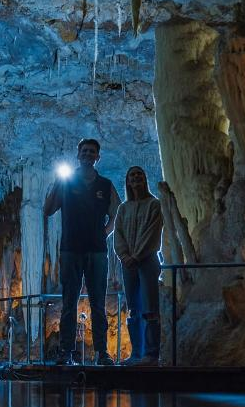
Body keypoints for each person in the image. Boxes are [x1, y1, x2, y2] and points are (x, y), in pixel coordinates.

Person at [43, 138, 120, 366]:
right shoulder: (66, 183)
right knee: (69, 301)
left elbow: (116, 212)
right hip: (71, 249)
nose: (87, 155)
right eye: (84, 151)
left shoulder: (105, 185)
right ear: (78, 155)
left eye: (92, 152)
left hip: (97, 250)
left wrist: (104, 233)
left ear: (98, 157)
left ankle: (102, 352)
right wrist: (57, 183)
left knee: (98, 302)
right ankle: (66, 351)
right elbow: (48, 210)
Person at [114, 166, 163, 366]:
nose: (135, 177)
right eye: (132, 175)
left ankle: (151, 354)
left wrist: (136, 255)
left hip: (147, 261)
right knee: (134, 309)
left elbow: (152, 233)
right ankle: (136, 353)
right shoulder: (123, 208)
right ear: (127, 181)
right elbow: (118, 234)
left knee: (150, 307)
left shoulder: (154, 204)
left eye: (139, 174)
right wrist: (124, 255)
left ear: (145, 179)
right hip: (128, 264)